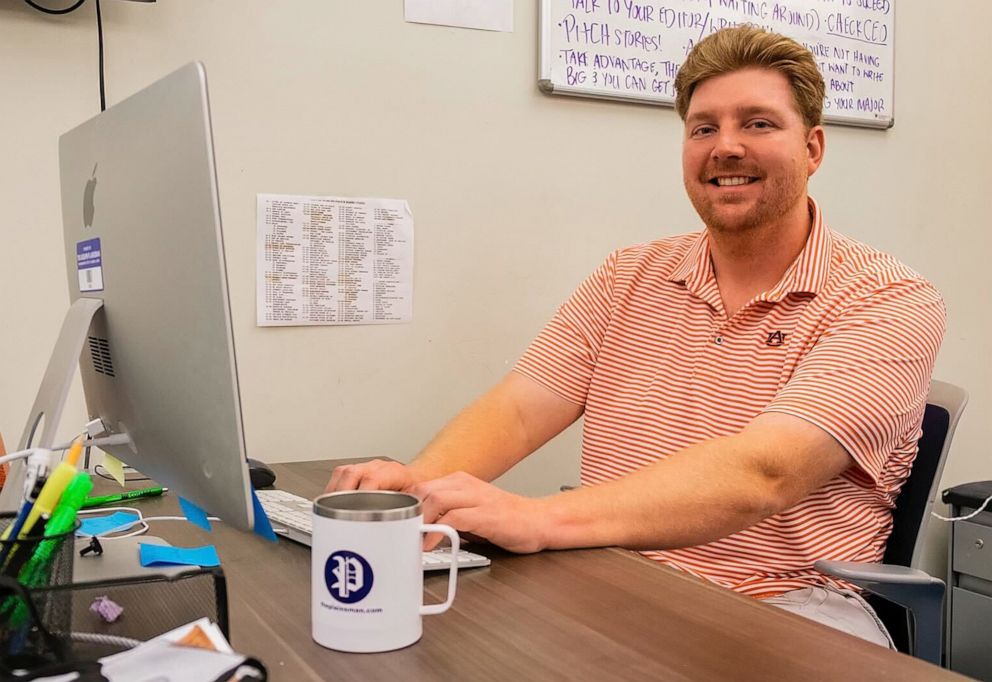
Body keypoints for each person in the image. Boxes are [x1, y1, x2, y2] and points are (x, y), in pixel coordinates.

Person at [327, 25, 945, 647]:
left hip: (788, 607)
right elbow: (519, 410)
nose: (725, 147)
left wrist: (538, 518)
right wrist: (414, 494)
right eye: (704, 128)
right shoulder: (629, 275)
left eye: (758, 123)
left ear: (812, 148)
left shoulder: (889, 298)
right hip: (616, 578)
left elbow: (766, 471)